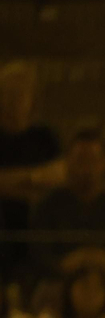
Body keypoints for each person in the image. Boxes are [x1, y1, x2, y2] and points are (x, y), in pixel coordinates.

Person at [30, 129, 105, 284]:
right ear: (68, 162)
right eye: (80, 160)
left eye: (92, 160)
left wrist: (102, 261)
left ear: (103, 163)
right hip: (56, 289)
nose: (86, 168)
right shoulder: (47, 207)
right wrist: (70, 263)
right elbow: (38, 261)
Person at [0, 61, 63, 288]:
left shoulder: (44, 137)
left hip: (38, 229)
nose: (12, 101)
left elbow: (59, 176)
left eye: (19, 94)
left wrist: (16, 180)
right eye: (7, 93)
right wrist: (35, 180)